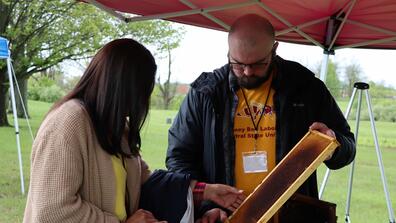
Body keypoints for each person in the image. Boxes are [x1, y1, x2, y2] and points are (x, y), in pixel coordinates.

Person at [23, 38, 244, 223]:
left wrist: (204, 192)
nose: (142, 102)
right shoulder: (69, 122)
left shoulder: (116, 126)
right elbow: (52, 211)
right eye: (142, 91)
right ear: (123, 87)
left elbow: (144, 181)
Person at [166, 14, 356, 221]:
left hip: (292, 216)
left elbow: (348, 146)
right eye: (237, 64)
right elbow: (178, 159)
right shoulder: (206, 93)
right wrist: (206, 206)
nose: (247, 72)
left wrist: (330, 145)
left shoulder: (305, 88)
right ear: (228, 51)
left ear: (274, 49)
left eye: (258, 64)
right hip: (226, 218)